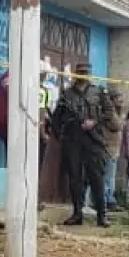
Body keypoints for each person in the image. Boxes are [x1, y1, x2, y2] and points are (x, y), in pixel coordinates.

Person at [52, 62, 112, 227]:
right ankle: (77, 213)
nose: (82, 75)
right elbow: (57, 117)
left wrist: (94, 122)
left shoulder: (98, 92)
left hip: (93, 140)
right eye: (80, 73)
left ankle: (102, 215)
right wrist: (60, 136)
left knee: (96, 178)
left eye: (85, 73)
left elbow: (109, 114)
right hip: (73, 139)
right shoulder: (67, 94)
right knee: (75, 178)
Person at [99, 89, 126, 211]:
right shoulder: (109, 113)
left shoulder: (116, 112)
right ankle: (104, 202)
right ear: (111, 100)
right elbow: (118, 125)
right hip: (108, 149)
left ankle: (110, 200)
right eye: (118, 98)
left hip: (114, 150)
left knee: (111, 177)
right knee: (107, 177)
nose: (121, 101)